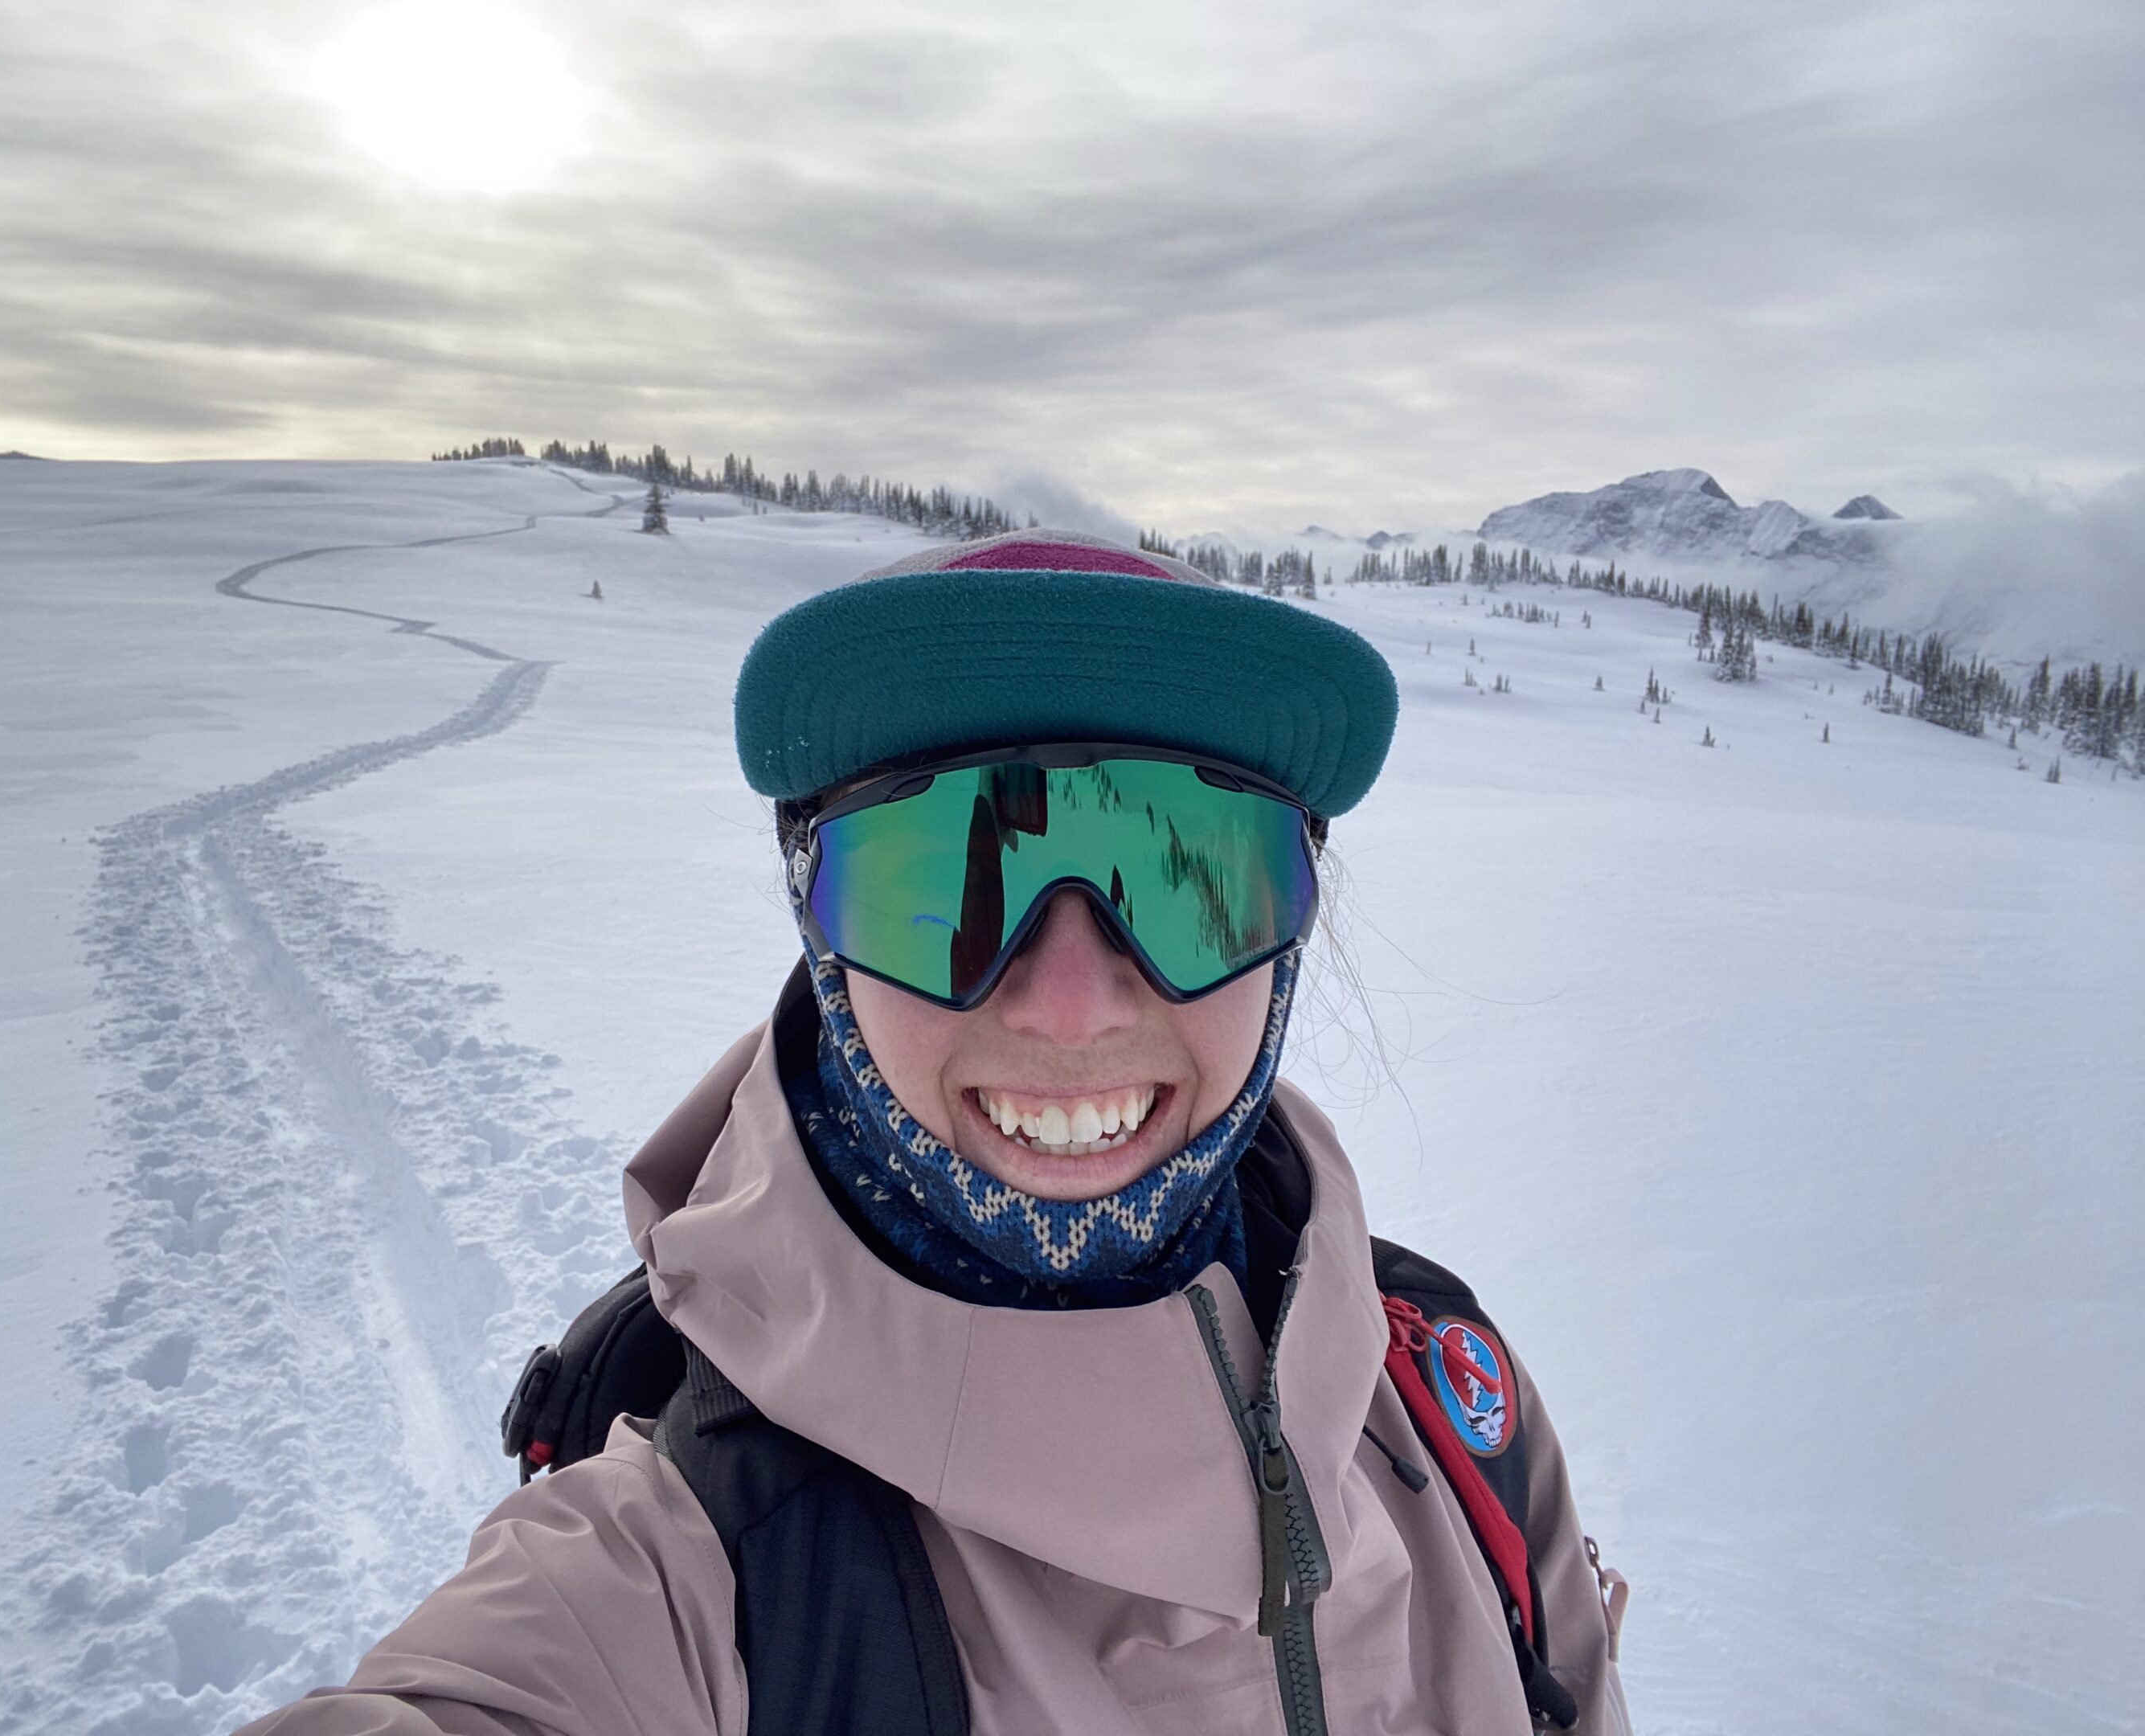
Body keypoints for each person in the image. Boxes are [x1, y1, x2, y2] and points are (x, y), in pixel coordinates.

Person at [241, 530, 1629, 1734]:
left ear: (1291, 928)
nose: (1074, 1004)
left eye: (1190, 872)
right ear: (820, 935)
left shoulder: (1450, 1408)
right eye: (941, 882)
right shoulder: (695, 1561)